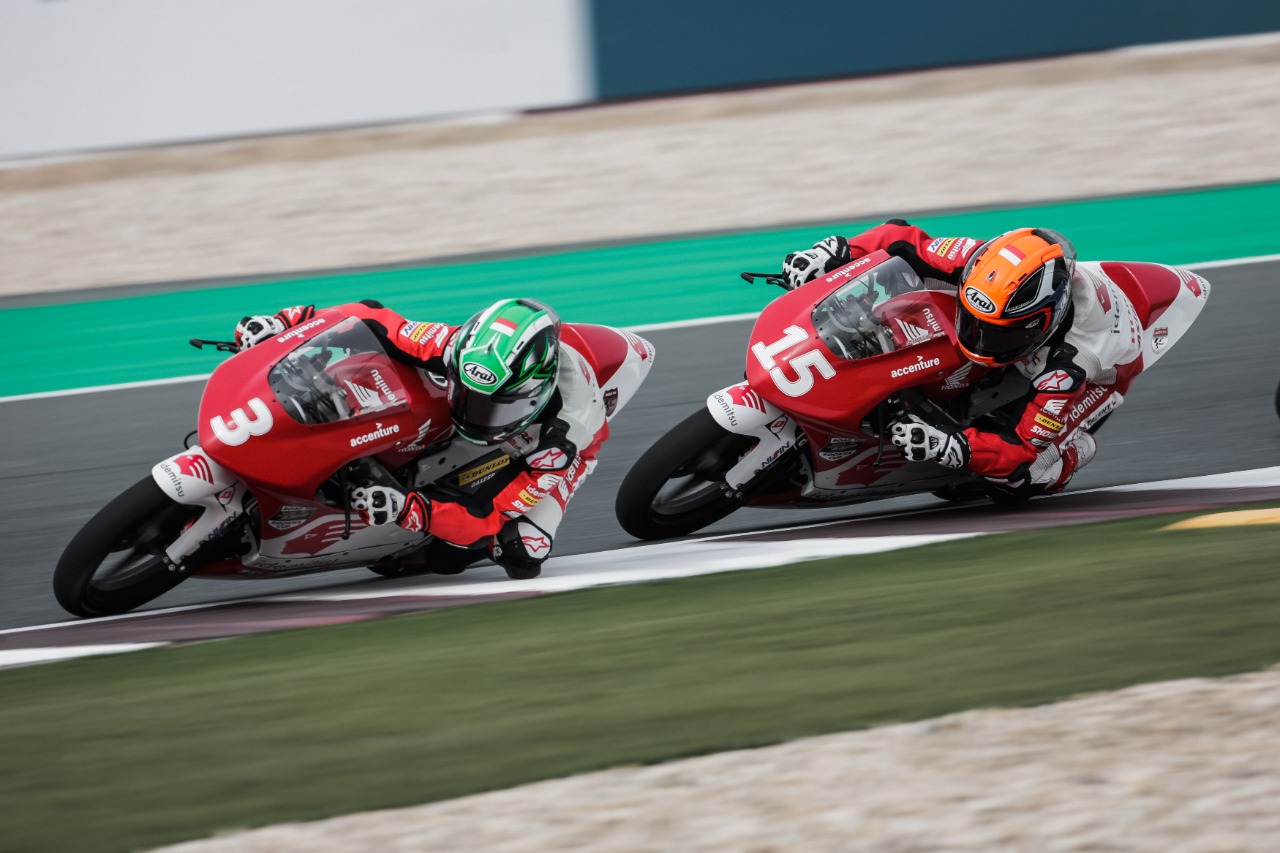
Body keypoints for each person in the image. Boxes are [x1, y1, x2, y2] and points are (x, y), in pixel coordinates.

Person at [234, 297, 651, 578]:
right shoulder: (454, 347)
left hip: (554, 445)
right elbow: (367, 316)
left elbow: (492, 516)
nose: (474, 413)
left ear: (532, 397)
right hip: (514, 366)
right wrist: (284, 323)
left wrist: (411, 510)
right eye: (468, 396)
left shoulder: (561, 443)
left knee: (522, 553)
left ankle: (419, 538)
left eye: (493, 406)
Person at [781, 221, 1143, 498]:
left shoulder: (1071, 366)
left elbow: (1021, 449)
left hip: (1102, 378)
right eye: (974, 323)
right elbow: (900, 238)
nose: (979, 337)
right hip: (1031, 321)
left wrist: (951, 447)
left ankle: (1075, 451)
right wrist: (834, 252)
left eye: (997, 333)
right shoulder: (976, 262)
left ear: (1040, 323)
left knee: (1019, 480)